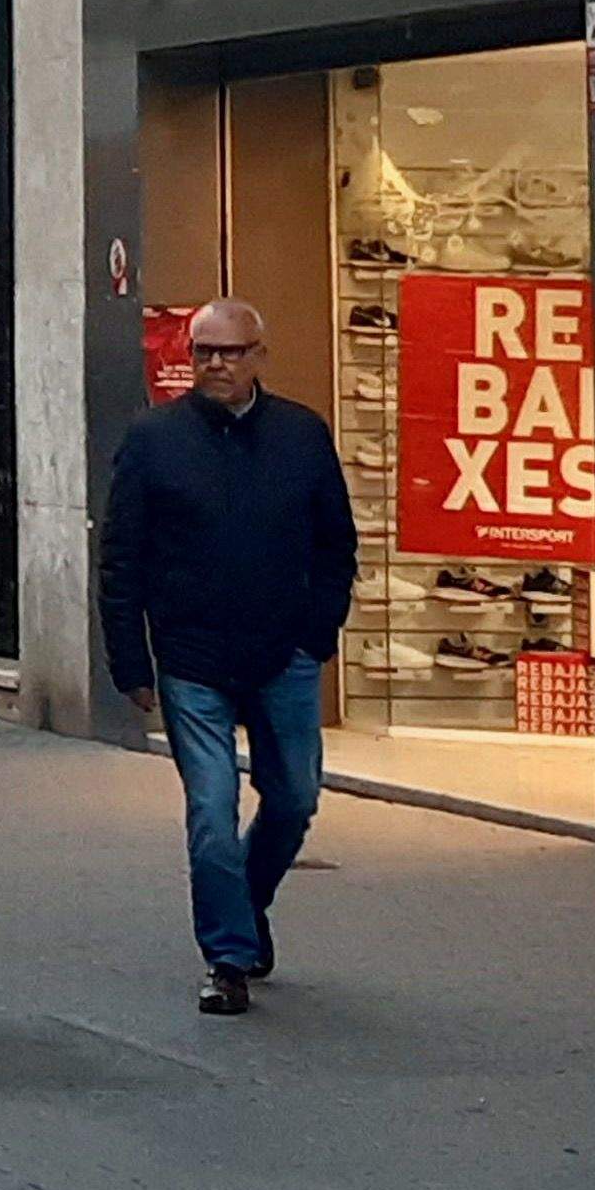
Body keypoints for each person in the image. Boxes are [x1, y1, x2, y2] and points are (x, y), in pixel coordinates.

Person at [95, 296, 355, 1018]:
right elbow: (122, 559)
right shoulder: (154, 440)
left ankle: (245, 900)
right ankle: (228, 958)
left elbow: (337, 543)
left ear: (257, 357)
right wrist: (130, 664)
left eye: (231, 352)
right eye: (204, 351)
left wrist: (317, 633)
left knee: (295, 797)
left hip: (285, 653)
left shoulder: (302, 436)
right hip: (192, 656)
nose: (216, 364)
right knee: (210, 809)